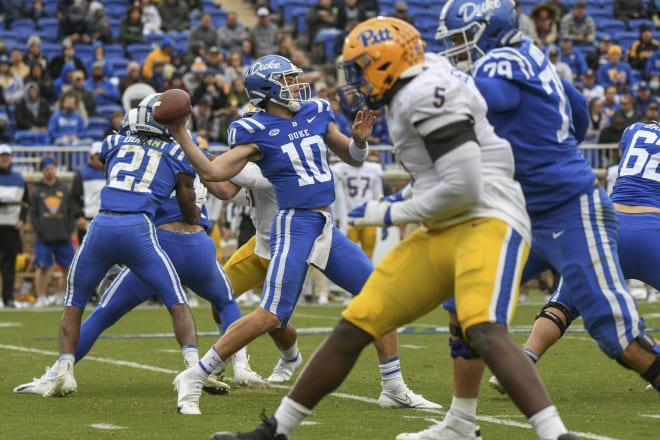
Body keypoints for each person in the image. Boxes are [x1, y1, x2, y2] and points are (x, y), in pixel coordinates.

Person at [209, 17, 577, 440]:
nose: (354, 78)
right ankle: (279, 431)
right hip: (446, 221)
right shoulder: (413, 83)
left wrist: (387, 211)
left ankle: (555, 435)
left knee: (483, 329)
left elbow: (464, 185)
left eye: (361, 66)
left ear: (388, 63)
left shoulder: (423, 95)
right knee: (359, 320)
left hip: (487, 217)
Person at [430, 2, 660, 437]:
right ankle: (460, 422)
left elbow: (491, 98)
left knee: (620, 338)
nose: (455, 48)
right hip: (534, 211)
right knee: (464, 297)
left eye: (461, 37)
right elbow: (578, 114)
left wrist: (447, 96)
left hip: (567, 209)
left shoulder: (499, 63)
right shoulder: (535, 58)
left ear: (490, 31)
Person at [168, 53, 441, 416]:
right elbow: (216, 173)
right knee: (271, 315)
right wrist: (181, 133)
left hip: (324, 226)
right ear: (267, 90)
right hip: (294, 225)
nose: (296, 85)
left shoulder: (315, 111)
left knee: (380, 296)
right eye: (287, 80)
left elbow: (354, 156)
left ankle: (393, 386)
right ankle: (196, 374)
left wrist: (359, 141)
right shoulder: (254, 129)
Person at [13, 116, 264, 395]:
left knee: (104, 313)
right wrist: (247, 171)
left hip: (159, 241)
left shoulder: (149, 150)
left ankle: (56, 374)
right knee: (225, 301)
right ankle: (238, 365)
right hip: (198, 244)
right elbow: (225, 190)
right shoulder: (190, 150)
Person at [35, 94, 200, 399]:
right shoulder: (176, 153)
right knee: (176, 300)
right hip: (138, 228)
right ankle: (193, 368)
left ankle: (65, 372)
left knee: (75, 302)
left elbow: (111, 167)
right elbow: (188, 210)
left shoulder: (113, 144)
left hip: (102, 226)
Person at [29, 156, 76, 308]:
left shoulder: (64, 189)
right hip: (44, 238)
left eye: (51, 168)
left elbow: (71, 211)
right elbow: (33, 214)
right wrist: (38, 230)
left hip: (63, 236)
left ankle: (62, 294)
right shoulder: (36, 190)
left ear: (55, 169)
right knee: (42, 268)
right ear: (42, 171)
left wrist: (69, 229)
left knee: (67, 268)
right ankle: (41, 296)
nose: (49, 171)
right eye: (46, 169)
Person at [332, 150, 386, 260]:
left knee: (368, 256)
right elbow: (338, 198)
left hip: (369, 218)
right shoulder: (340, 169)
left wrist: (383, 216)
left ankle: (367, 277)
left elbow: (378, 195)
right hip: (349, 219)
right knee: (350, 257)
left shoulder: (373, 169)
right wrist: (339, 219)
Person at [0, 145, 29, 308]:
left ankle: (8, 298)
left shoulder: (19, 178)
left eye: (7, 156)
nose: (4, 159)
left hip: (11, 227)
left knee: (9, 265)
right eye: (2, 156)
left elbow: (26, 203)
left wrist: (22, 220)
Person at [71, 142, 105, 245]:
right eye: (97, 155)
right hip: (86, 221)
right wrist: (78, 216)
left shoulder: (112, 172)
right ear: (91, 156)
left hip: (107, 221)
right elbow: (74, 198)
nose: (100, 158)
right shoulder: (82, 173)